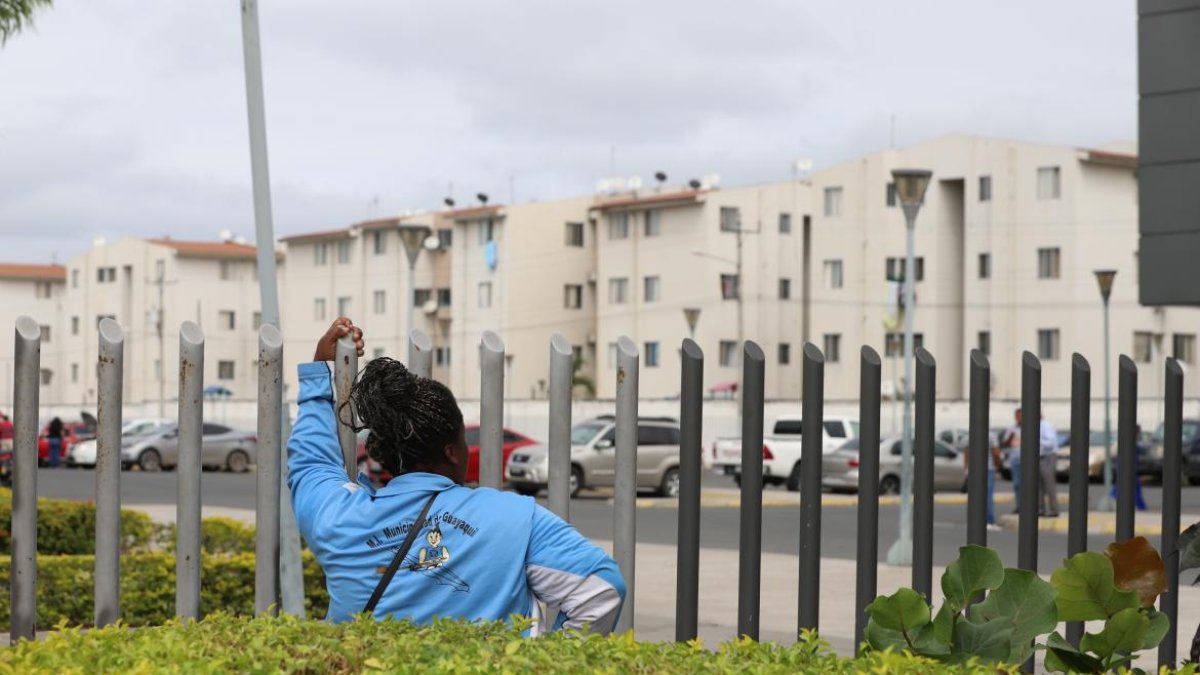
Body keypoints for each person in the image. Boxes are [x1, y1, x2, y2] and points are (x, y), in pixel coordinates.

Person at [289, 318, 625, 633]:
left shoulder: (339, 517)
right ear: (452, 450)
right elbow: (601, 590)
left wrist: (321, 374)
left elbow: (310, 463)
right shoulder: (515, 519)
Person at [1037, 414, 1060, 517]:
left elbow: (1050, 442)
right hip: (1039, 457)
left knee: (1049, 484)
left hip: (1048, 456)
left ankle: (1053, 509)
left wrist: (1037, 440)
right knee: (1039, 485)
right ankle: (1040, 509)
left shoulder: (1045, 425)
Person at [1001, 409, 1022, 510]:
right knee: (1017, 483)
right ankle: (1019, 505)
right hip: (1015, 458)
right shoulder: (1011, 428)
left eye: (1020, 416)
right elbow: (1004, 443)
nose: (1018, 418)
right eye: (1017, 416)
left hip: (1028, 460)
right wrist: (1011, 436)